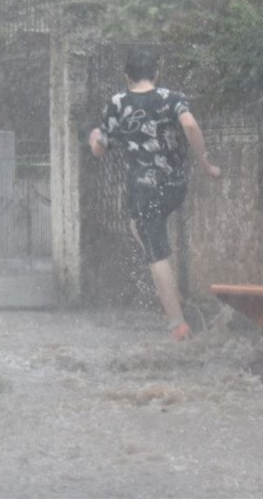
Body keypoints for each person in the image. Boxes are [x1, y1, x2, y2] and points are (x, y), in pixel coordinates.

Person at [88, 48, 221, 341]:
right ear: (155, 73)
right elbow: (189, 124)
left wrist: (94, 137)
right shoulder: (171, 97)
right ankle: (170, 291)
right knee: (139, 227)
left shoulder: (118, 102)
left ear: (127, 76)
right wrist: (205, 164)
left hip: (145, 188)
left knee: (155, 253)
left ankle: (177, 323)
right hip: (175, 185)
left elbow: (100, 148)